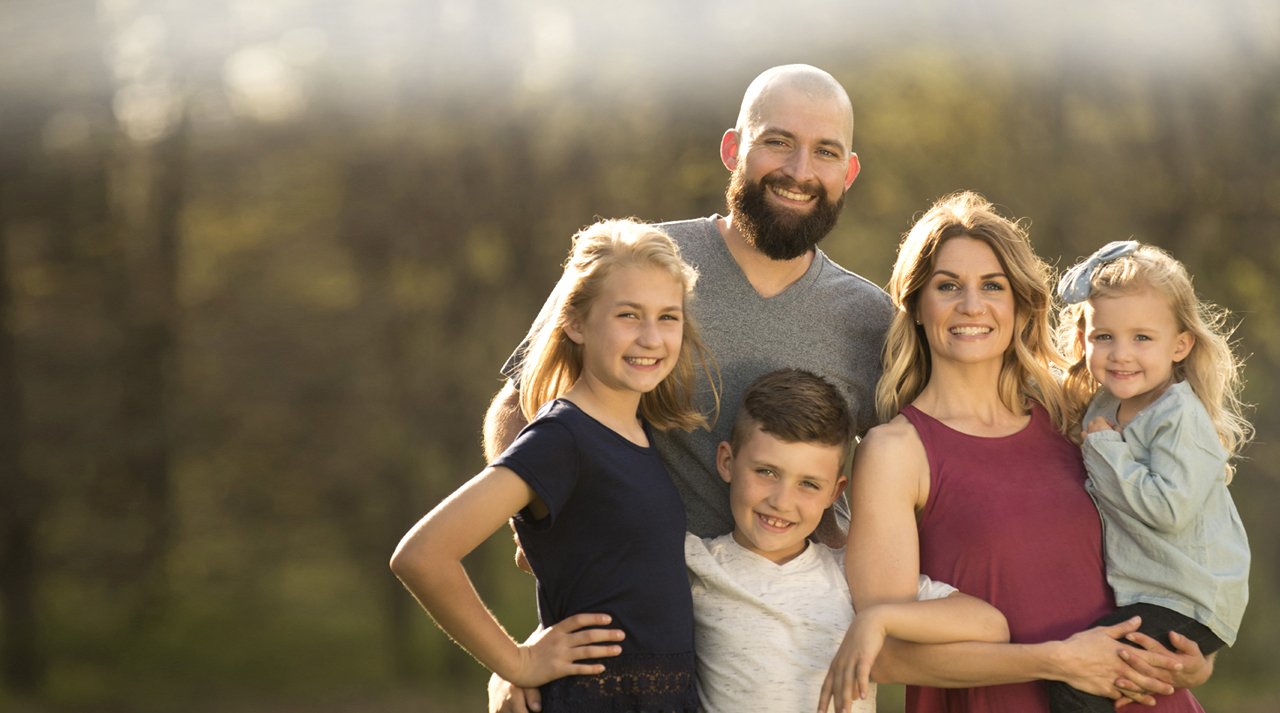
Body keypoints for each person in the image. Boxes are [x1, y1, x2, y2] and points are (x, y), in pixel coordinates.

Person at [822, 192, 1214, 713]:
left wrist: (1194, 656)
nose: (971, 305)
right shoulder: (895, 452)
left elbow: (1174, 546)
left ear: (1018, 303)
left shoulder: (1076, 418)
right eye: (947, 286)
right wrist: (1055, 661)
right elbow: (888, 657)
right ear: (916, 305)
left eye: (992, 285)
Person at [484, 63, 892, 544]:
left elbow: (903, 467)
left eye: (825, 151)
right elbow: (519, 402)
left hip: (794, 610)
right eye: (777, 142)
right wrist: (540, 524)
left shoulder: (872, 318)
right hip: (636, 600)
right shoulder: (639, 262)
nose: (800, 172)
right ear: (732, 149)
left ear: (849, 172)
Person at [391, 219, 716, 712]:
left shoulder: (640, 433)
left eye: (668, 317)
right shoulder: (561, 439)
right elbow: (422, 555)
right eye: (629, 315)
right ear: (576, 323)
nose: (652, 337)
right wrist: (516, 663)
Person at [686, 368, 1010, 713]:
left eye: (808, 484)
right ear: (727, 461)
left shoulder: (851, 576)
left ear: (835, 492)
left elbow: (991, 626)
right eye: (766, 472)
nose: (781, 501)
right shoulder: (694, 563)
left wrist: (877, 620)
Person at [1042, 241, 1252, 713]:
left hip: (1187, 597)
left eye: (1142, 338)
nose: (1121, 355)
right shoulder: (1103, 402)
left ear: (1180, 344)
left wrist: (1108, 449)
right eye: (1104, 337)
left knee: (1078, 682)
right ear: (1082, 339)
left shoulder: (1177, 415)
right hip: (1149, 589)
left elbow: (1168, 509)